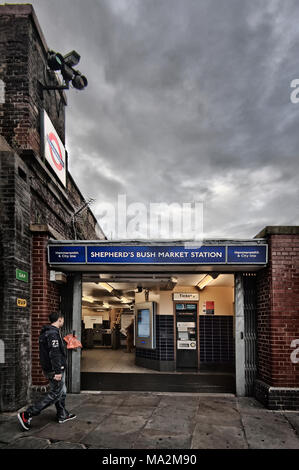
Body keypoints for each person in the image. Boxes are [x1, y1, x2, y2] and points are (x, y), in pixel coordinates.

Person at [17, 312, 76, 431]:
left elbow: (51, 350)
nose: (63, 322)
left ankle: (62, 415)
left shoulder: (47, 332)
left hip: (51, 369)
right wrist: (58, 372)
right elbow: (54, 354)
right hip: (55, 370)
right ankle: (27, 414)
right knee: (55, 394)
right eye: (63, 320)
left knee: (62, 392)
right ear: (59, 319)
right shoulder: (53, 334)